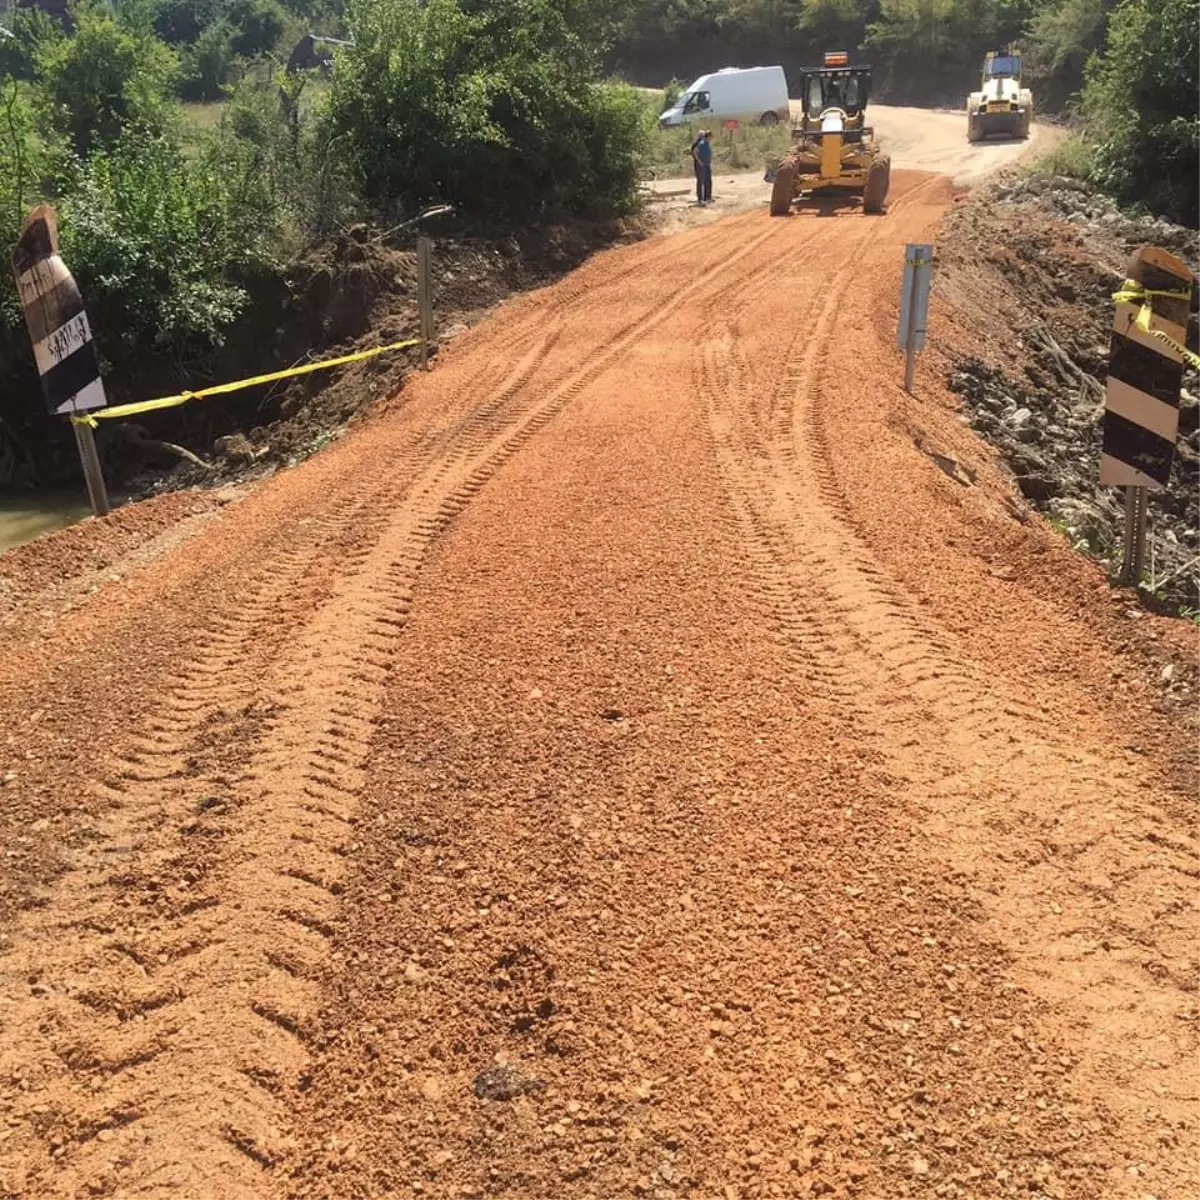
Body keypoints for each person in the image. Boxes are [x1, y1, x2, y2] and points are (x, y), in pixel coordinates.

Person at [693, 129, 713, 206]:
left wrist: (710, 158)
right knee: (701, 181)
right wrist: (699, 161)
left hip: (707, 164)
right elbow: (695, 152)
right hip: (702, 165)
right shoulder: (701, 143)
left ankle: (707, 197)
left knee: (708, 181)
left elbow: (709, 152)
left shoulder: (707, 144)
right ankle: (700, 199)